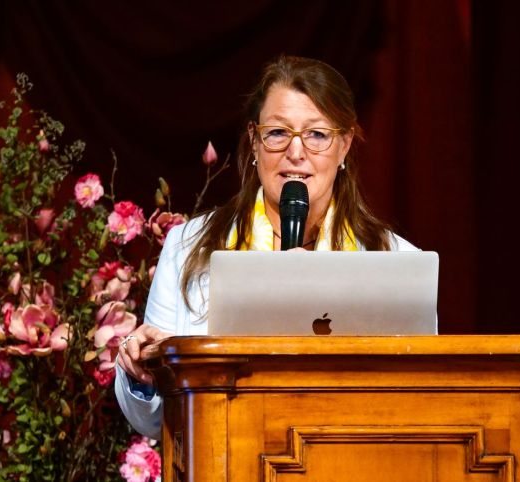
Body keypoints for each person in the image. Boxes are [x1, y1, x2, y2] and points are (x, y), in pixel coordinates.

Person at [115, 55, 420, 439]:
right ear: (255, 142)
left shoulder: (397, 262)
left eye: (317, 134)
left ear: (343, 146)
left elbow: (417, 406)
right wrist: (142, 373)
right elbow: (154, 423)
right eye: (278, 133)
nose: (296, 152)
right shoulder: (187, 247)